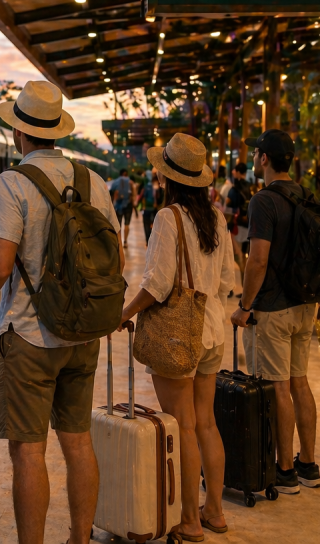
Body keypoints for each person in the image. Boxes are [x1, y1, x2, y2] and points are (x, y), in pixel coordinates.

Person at [0, 80, 123, 544]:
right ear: (57, 130)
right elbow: (114, 253)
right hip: (83, 333)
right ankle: (79, 539)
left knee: (28, 452)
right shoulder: (92, 181)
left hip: (30, 336)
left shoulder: (12, 184)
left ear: (19, 132)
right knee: (78, 443)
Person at [120, 134, 234, 541]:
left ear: (168, 177)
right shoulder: (218, 219)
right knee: (206, 423)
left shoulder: (168, 217)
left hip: (178, 336)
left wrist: (126, 312)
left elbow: (158, 284)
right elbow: (227, 281)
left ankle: (189, 521)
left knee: (183, 426)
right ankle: (215, 512)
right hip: (213, 330)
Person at [229, 130, 320, 494]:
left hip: (274, 310)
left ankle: (284, 470)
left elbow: (258, 259)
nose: (254, 159)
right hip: (304, 306)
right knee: (300, 382)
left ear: (264, 159)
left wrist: (244, 306)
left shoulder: (263, 201)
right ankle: (308, 464)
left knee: (278, 386)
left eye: (256, 153)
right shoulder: (304, 195)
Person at [224, 163, 251, 273]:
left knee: (238, 254)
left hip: (239, 225)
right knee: (246, 253)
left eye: (235, 170)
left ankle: (244, 279)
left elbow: (228, 203)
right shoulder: (251, 186)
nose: (233, 172)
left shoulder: (235, 188)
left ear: (239, 172)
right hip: (249, 223)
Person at [138, 167, 163, 244]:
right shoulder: (160, 187)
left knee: (147, 225)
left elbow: (143, 197)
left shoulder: (147, 185)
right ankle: (151, 241)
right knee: (153, 225)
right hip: (156, 209)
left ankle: (148, 241)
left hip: (150, 209)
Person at [112, 168, 133, 247]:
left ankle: (118, 241)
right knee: (127, 224)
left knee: (118, 224)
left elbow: (113, 193)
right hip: (128, 205)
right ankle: (125, 241)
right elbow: (133, 194)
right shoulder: (130, 182)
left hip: (118, 206)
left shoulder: (116, 181)